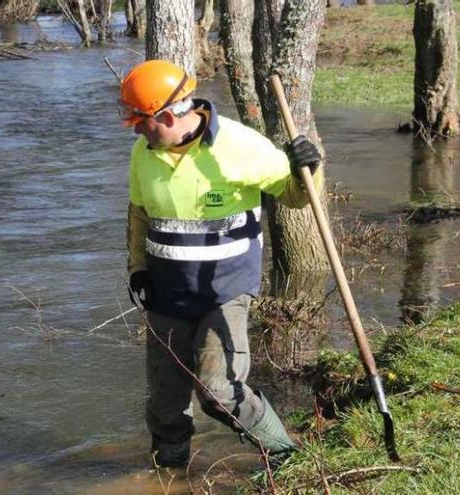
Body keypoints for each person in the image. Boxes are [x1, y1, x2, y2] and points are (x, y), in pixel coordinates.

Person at [119, 60, 323, 468]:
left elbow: (297, 196)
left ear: (166, 115)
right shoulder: (144, 153)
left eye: (141, 121)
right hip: (165, 295)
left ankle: (286, 455)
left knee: (219, 392)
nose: (136, 130)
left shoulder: (240, 145)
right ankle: (171, 475)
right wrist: (138, 267)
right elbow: (139, 214)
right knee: (165, 404)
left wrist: (309, 168)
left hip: (225, 291)